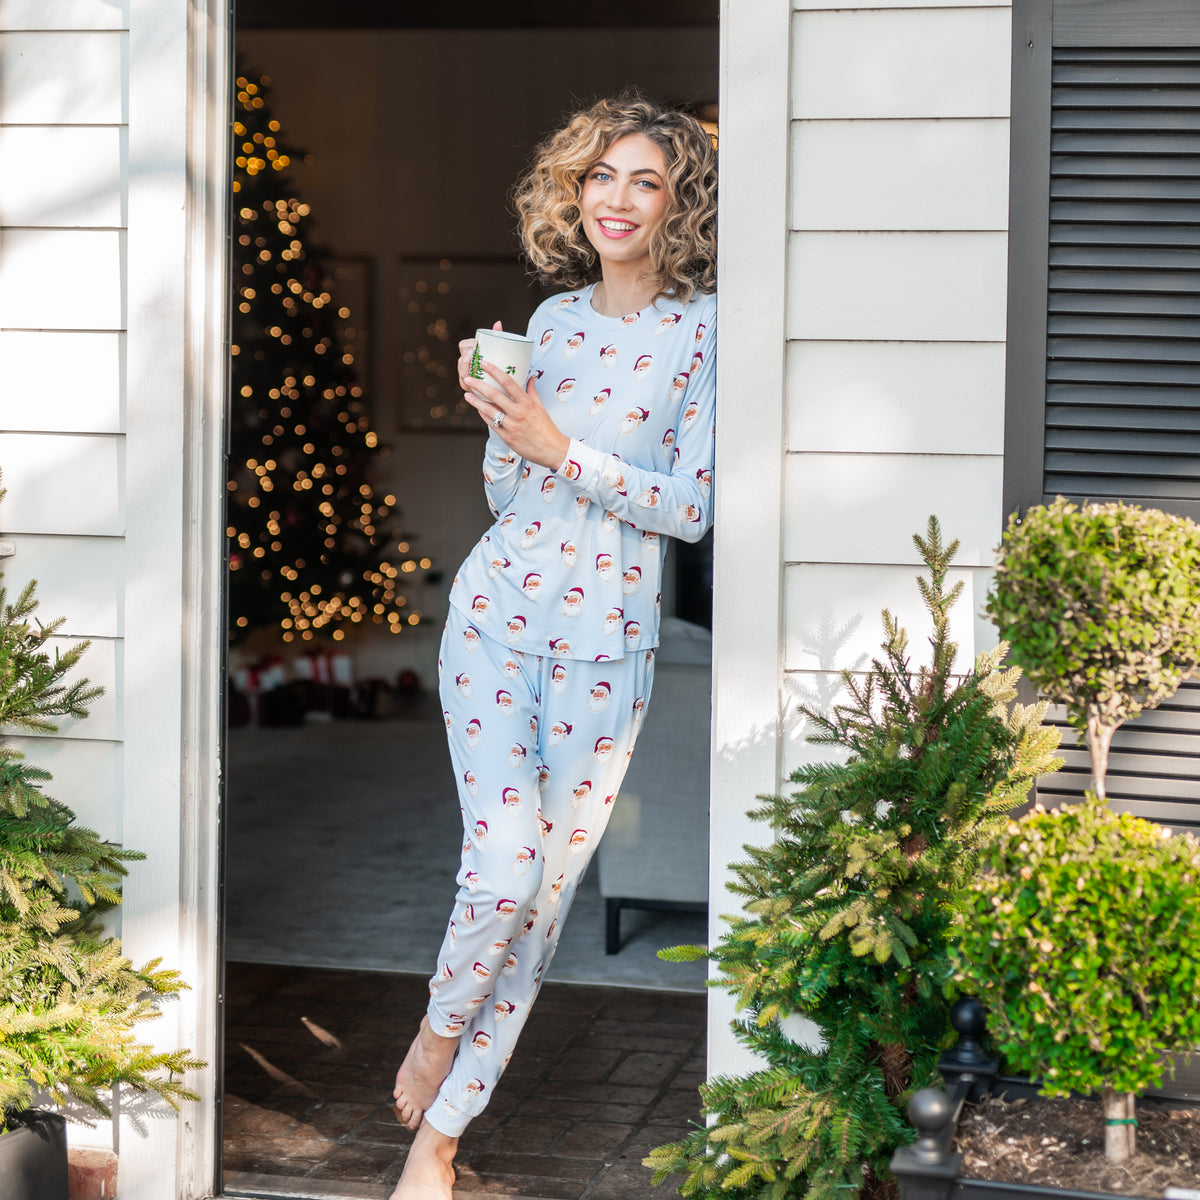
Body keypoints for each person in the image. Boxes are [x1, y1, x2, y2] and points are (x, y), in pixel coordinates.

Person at [388, 92, 717, 1200]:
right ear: (573, 193)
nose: (617, 199)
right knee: (502, 867)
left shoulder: (703, 333)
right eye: (600, 177)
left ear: (677, 205)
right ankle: (438, 1034)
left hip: (603, 645)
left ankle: (437, 1140)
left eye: (645, 181)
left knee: (542, 901)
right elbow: (506, 492)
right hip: (493, 618)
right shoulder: (556, 323)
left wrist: (560, 446)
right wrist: (507, 430)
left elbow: (692, 507)